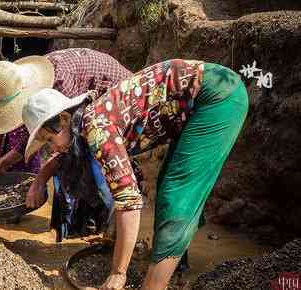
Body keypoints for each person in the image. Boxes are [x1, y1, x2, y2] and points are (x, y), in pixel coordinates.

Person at [19, 59, 249, 290]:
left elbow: (129, 202)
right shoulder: (84, 125)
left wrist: (118, 273)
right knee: (168, 187)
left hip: (217, 97)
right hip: (194, 104)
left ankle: (154, 286)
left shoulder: (96, 128)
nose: (53, 148)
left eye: (50, 140)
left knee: (176, 194)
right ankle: (173, 265)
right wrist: (39, 181)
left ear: (64, 120)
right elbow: (70, 162)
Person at [0, 48, 133, 193]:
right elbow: (40, 133)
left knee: (85, 169)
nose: (50, 145)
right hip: (88, 113)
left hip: (123, 104)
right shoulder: (36, 86)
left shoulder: (59, 85)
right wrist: (4, 162)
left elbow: (71, 140)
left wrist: (41, 179)